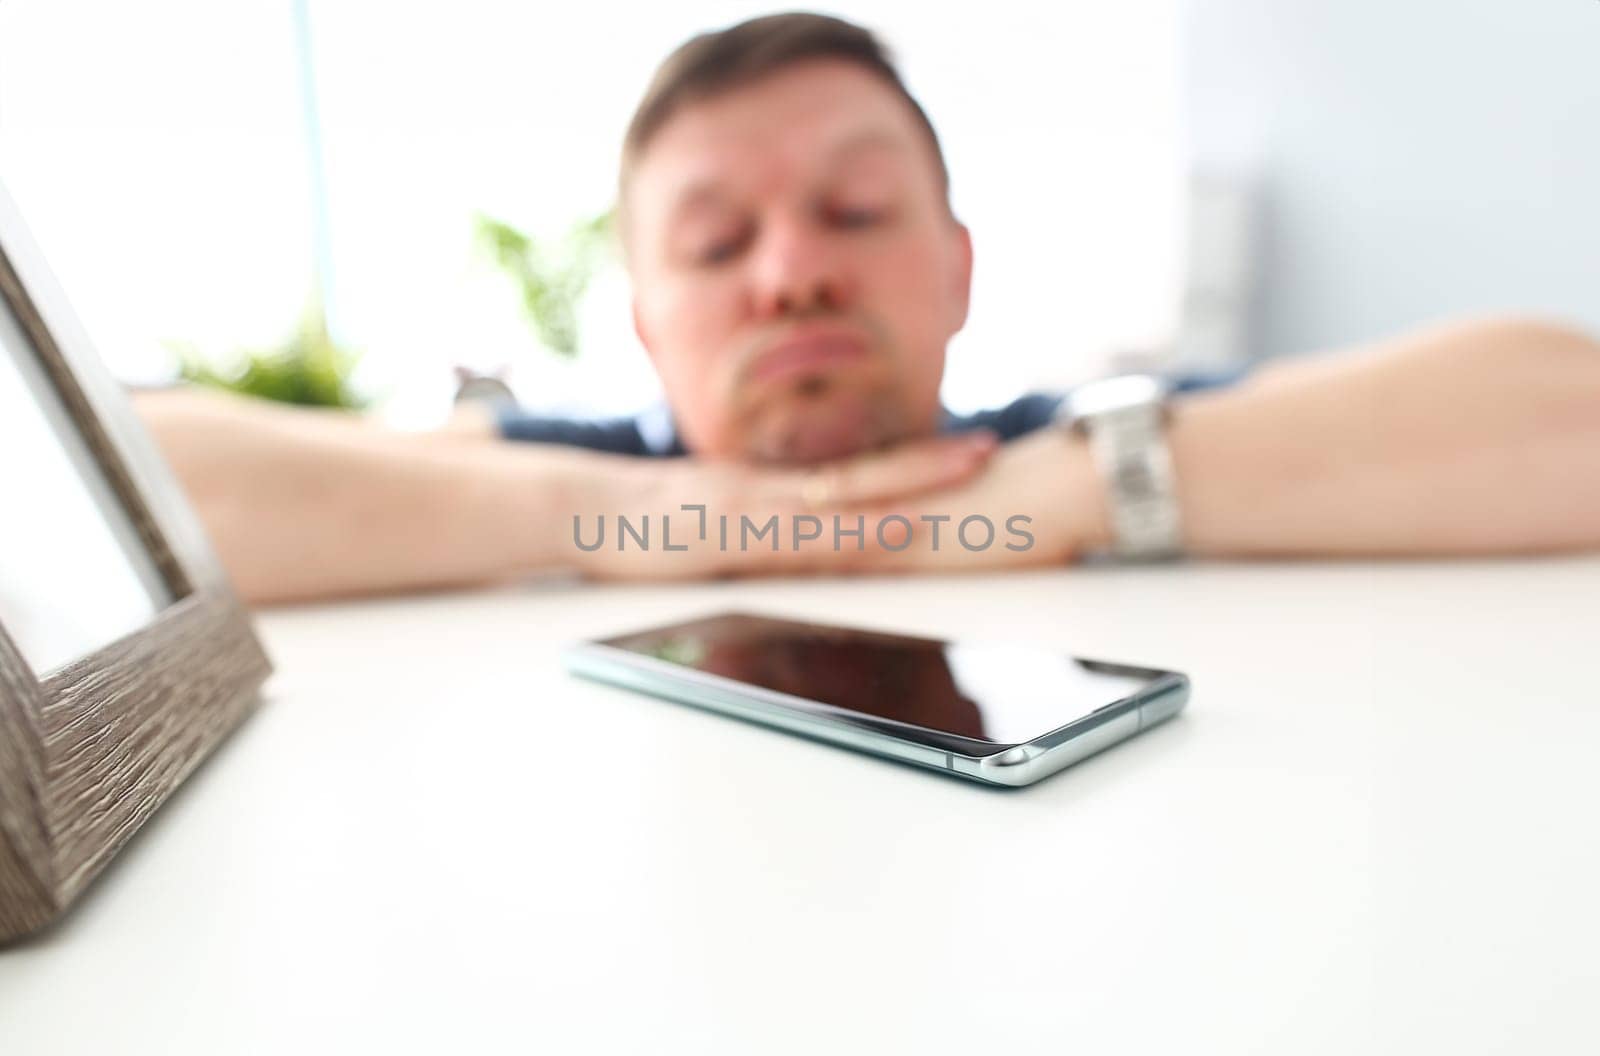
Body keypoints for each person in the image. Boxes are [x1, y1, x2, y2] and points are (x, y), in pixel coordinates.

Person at [136, 12, 1600, 604]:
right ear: (644, 323)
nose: (794, 273)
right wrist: (647, 520)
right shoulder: (583, 464)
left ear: (957, 267)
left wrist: (1050, 501)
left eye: (852, 213)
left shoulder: (1048, 449)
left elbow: (1565, 413)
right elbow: (118, 483)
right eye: (716, 242)